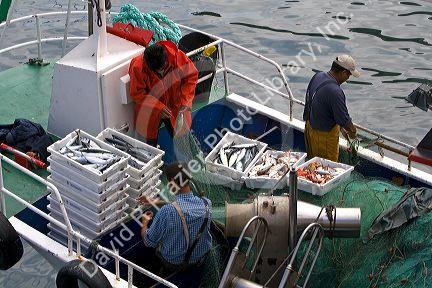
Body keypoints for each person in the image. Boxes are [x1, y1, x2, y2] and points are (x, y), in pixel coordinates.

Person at [140, 163, 212, 288]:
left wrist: (144, 223)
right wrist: (154, 201)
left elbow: (148, 241)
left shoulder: (167, 212)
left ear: (172, 181)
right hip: (200, 258)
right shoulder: (206, 204)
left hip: (173, 262)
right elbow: (182, 206)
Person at [129, 41, 198, 146]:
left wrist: (185, 101)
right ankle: (154, 158)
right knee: (150, 144)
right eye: (156, 71)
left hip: (176, 106)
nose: (160, 73)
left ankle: (190, 158)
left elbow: (191, 76)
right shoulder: (138, 67)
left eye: (162, 68)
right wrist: (157, 107)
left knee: (184, 140)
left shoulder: (177, 56)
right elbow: (137, 93)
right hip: (151, 110)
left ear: (166, 59)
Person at [303, 55, 359, 162]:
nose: (348, 78)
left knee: (313, 163)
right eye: (349, 75)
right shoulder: (335, 92)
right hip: (324, 138)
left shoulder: (318, 76)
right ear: (343, 72)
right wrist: (353, 132)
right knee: (326, 169)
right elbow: (344, 120)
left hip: (309, 129)